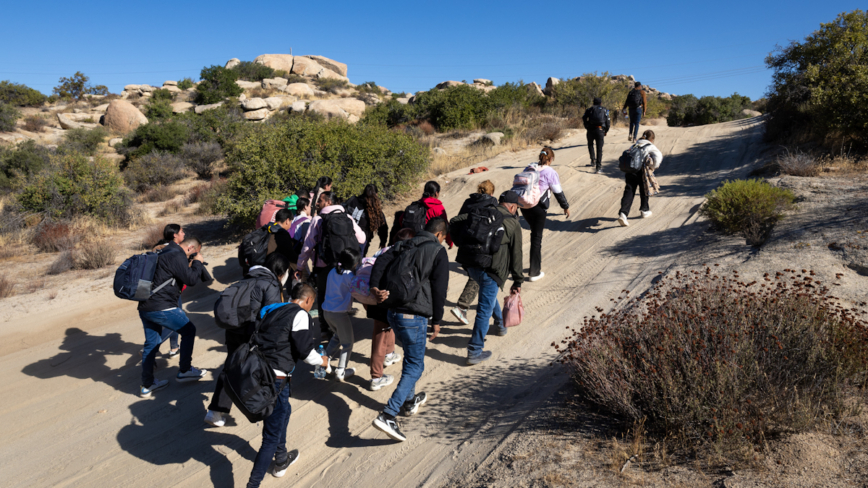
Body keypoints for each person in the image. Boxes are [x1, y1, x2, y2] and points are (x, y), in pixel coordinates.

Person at [369, 218, 450, 442]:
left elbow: (381, 260)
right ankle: (388, 414)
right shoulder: (437, 251)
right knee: (415, 366)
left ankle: (409, 401)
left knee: (410, 358)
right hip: (414, 315)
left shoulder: (405, 244)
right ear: (440, 235)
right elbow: (439, 289)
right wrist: (437, 319)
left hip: (392, 312)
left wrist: (375, 287)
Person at [245, 283, 328, 487]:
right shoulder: (300, 315)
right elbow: (306, 353)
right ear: (308, 300)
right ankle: (253, 484)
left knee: (285, 410)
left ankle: (281, 458)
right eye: (312, 303)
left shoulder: (274, 308)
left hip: (259, 371)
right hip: (276, 379)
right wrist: (323, 362)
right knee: (270, 437)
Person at [204, 253, 290, 428]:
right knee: (256, 369)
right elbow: (272, 316)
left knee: (231, 366)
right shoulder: (271, 284)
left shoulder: (244, 280)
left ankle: (215, 411)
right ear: (281, 272)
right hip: (250, 332)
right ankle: (258, 406)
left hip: (232, 330)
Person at [452, 191, 524, 364]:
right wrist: (518, 280)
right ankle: (475, 351)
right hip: (492, 270)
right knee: (484, 310)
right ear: (513, 207)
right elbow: (517, 255)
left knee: (488, 295)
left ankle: (500, 325)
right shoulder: (513, 224)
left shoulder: (482, 212)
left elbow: (454, 221)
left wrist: (459, 242)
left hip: (471, 265)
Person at [138, 236, 210, 397]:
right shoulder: (177, 255)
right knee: (188, 330)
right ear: (191, 249)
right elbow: (191, 279)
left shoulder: (165, 251)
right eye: (194, 253)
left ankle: (147, 385)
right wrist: (197, 262)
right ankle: (185, 370)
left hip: (145, 306)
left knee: (151, 344)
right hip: (162, 306)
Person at [297, 191, 366, 335]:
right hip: (345, 266)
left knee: (323, 295)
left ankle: (325, 329)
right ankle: (342, 326)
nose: (317, 203)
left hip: (324, 266)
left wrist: (300, 266)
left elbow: (308, 246)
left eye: (320, 201)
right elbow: (362, 238)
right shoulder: (347, 217)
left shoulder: (318, 219)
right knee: (344, 293)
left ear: (328, 202)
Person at [366, 228, 415, 391]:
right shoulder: (406, 256)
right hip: (393, 304)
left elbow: (373, 277)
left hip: (379, 303)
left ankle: (389, 354)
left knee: (386, 330)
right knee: (380, 338)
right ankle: (376, 377)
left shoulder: (382, 254)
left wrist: (375, 291)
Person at [519, 147, 570, 282]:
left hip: (524, 206)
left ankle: (530, 265)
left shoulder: (529, 167)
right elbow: (558, 192)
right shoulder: (550, 172)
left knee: (534, 234)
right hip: (538, 208)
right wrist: (565, 207)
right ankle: (534, 272)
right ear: (551, 159)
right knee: (536, 239)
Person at [450, 180, 497, 325]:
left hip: (465, 245)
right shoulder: (492, 203)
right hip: (480, 247)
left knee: (480, 279)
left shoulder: (468, 202)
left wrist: (458, 241)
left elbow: (457, 222)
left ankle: (498, 317)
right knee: (479, 277)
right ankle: (462, 306)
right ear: (492, 192)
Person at [321, 247, 362, 381]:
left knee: (337, 337)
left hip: (327, 312)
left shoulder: (332, 271)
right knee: (348, 343)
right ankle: (341, 371)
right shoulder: (349, 276)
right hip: (340, 314)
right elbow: (359, 290)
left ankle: (323, 362)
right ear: (353, 264)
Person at [618, 130, 664, 227]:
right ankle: (644, 210)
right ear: (652, 139)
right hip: (641, 171)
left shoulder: (635, 145)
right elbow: (658, 157)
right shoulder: (650, 146)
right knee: (644, 189)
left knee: (629, 191)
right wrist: (653, 167)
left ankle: (623, 214)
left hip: (630, 171)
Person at [397, 181, 453, 248]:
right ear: (436, 193)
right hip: (427, 244)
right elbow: (444, 226)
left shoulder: (416, 205)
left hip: (410, 242)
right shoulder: (438, 208)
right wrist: (450, 242)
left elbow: (401, 220)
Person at [344, 184, 388, 256]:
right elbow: (383, 227)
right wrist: (383, 242)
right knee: (357, 263)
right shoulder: (376, 210)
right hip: (362, 241)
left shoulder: (352, 200)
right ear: (376, 195)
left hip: (346, 237)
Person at [582, 97, 611, 174]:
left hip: (590, 130)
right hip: (600, 130)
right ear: (601, 103)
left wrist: (587, 126)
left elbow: (584, 118)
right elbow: (608, 121)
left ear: (593, 102)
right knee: (599, 149)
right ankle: (598, 168)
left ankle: (593, 160)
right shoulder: (605, 110)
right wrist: (606, 130)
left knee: (590, 145)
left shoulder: (589, 109)